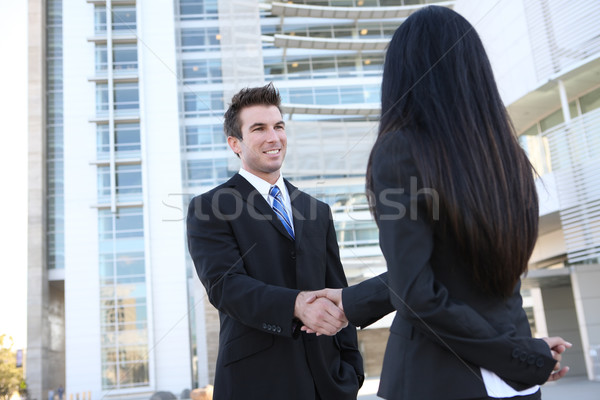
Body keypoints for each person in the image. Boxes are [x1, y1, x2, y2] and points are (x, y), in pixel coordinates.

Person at [304, 6, 572, 400]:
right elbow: (449, 271)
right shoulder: (509, 157)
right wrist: (352, 300)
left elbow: (419, 293)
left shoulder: (400, 149)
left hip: (435, 378)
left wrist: (519, 358)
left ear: (402, 74)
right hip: (515, 383)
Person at [186, 83, 363, 399]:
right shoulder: (209, 207)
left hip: (328, 382)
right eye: (259, 129)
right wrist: (295, 304)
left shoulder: (317, 211)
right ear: (235, 144)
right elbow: (226, 287)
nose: (273, 137)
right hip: (256, 382)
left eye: (278, 126)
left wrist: (351, 368)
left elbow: (338, 289)